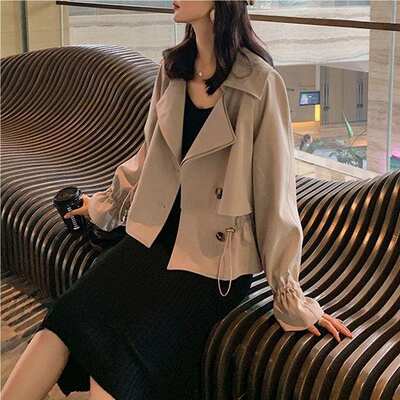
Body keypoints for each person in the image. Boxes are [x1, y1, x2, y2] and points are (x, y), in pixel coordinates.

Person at [1, 1, 353, 399]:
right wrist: (104, 204)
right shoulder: (173, 70)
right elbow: (147, 157)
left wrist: (290, 297)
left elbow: (275, 198)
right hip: (152, 239)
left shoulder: (259, 84)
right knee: (66, 319)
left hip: (213, 266)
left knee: (114, 367)